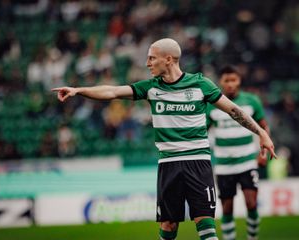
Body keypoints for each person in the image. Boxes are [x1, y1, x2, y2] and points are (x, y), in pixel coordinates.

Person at [52, 38, 276, 240]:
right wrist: (78, 90)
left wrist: (262, 133)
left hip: (198, 161)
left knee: (205, 222)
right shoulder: (151, 88)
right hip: (169, 163)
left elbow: (234, 110)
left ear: (168, 59)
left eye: (152, 58)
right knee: (168, 225)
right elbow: (112, 92)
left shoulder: (200, 84)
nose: (148, 63)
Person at [207, 65, 270, 240]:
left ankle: (252, 238)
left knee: (251, 203)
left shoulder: (251, 101)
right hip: (224, 166)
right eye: (226, 80)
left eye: (233, 80)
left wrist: (262, 153)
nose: (230, 84)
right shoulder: (212, 105)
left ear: (239, 81)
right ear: (221, 82)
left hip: (247, 162)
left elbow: (264, 127)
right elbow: (203, 131)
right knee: (227, 209)